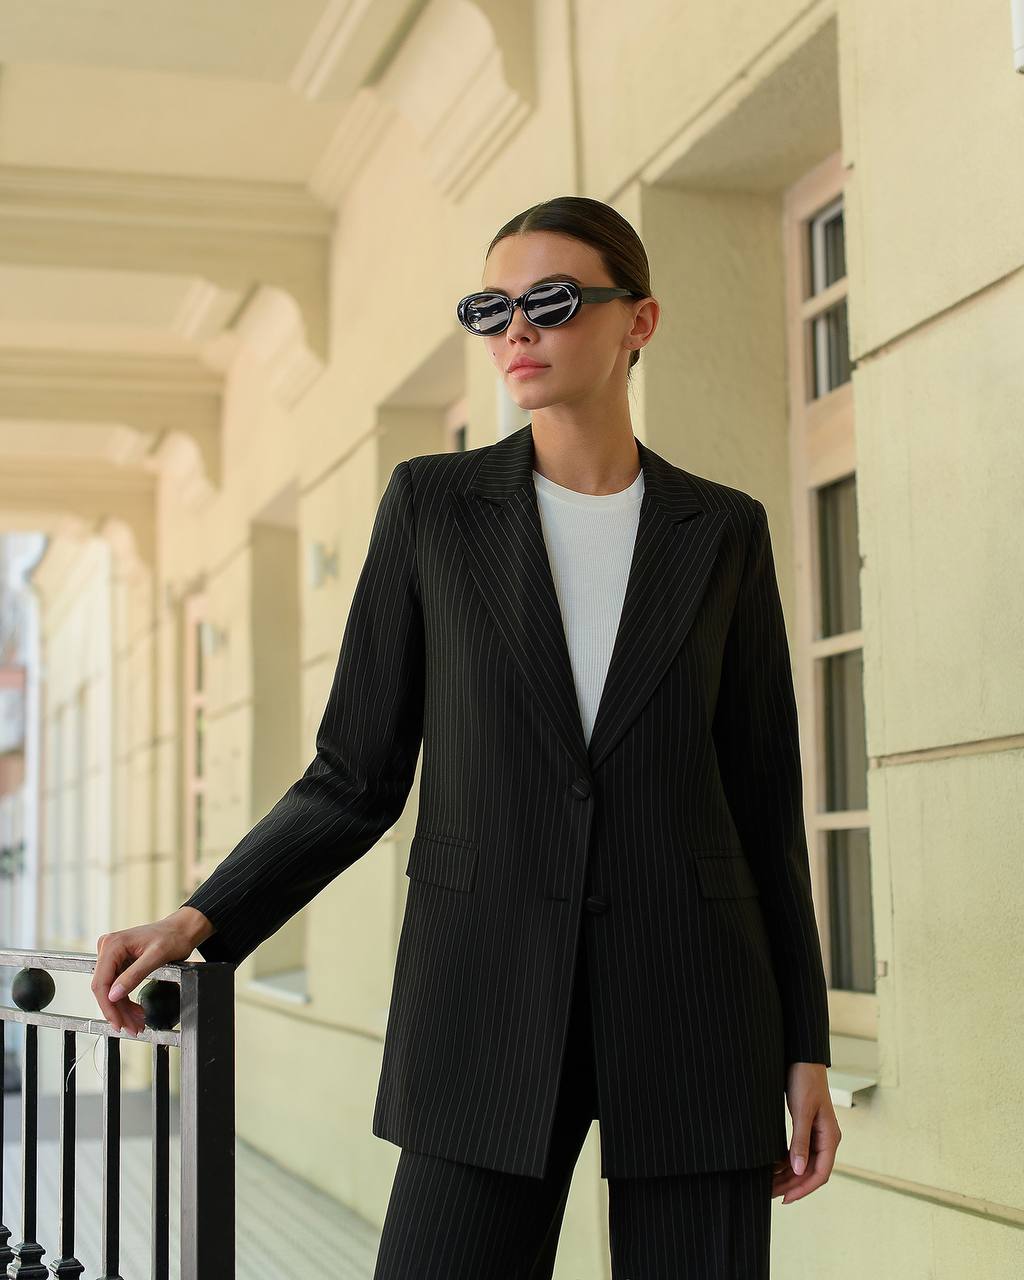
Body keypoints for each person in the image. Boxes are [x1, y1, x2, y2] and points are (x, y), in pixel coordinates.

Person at [93, 195, 841, 1278]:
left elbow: (765, 801)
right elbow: (355, 773)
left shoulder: (720, 529)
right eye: (491, 307)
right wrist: (205, 914)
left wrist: (805, 1041)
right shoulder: (432, 508)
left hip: (695, 1008)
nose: (515, 330)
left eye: (550, 299)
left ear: (639, 320)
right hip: (484, 1002)